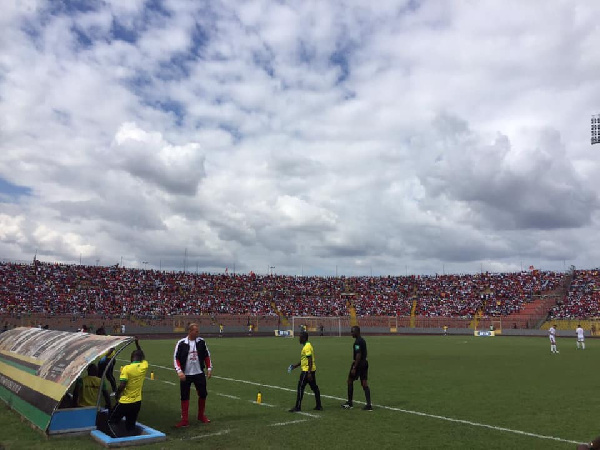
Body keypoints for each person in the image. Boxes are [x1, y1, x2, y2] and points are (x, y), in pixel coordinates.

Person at [173, 322, 212, 427]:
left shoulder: (201, 342)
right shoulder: (181, 343)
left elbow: (206, 355)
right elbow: (176, 358)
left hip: (199, 373)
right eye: (196, 331)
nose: (198, 332)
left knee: (203, 394)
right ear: (190, 331)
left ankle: (201, 415)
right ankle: (185, 420)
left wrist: (209, 368)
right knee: (185, 396)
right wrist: (179, 371)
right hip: (186, 374)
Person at [108, 338, 147, 436]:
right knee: (131, 424)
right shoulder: (144, 366)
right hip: (137, 401)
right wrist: (137, 344)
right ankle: (131, 439)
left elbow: (122, 384)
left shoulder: (127, 368)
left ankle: (117, 438)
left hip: (125, 401)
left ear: (132, 357)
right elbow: (142, 355)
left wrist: (117, 394)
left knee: (111, 421)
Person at [288, 331, 322, 412]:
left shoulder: (306, 347)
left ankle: (298, 407)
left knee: (300, 388)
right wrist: (296, 365)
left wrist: (309, 372)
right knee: (315, 388)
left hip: (306, 371)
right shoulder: (307, 345)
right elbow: (305, 359)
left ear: (303, 338)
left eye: (300, 337)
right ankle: (319, 405)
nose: (298, 339)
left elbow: (309, 359)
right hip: (310, 370)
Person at [341, 326, 372, 410]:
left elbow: (358, 355)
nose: (351, 333)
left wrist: (354, 367)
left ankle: (350, 403)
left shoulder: (357, 342)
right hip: (365, 362)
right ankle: (369, 405)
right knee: (364, 383)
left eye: (352, 332)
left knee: (350, 380)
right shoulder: (362, 340)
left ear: (357, 332)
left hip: (359, 363)